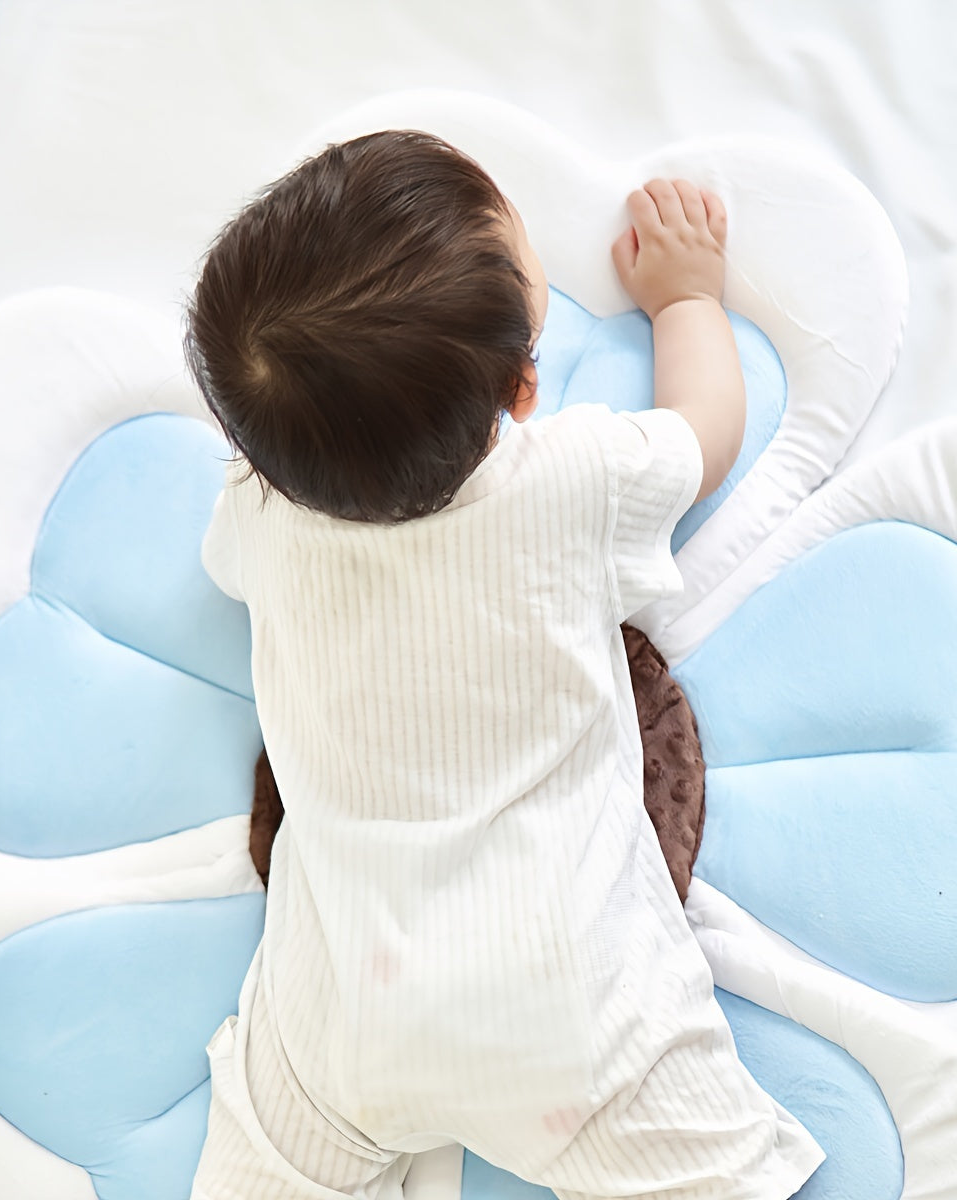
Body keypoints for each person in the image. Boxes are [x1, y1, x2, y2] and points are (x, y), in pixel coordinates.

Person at [186, 129, 823, 1200]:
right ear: (522, 389)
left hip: (345, 1011)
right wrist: (685, 300)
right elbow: (705, 430)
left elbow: (225, 556)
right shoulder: (577, 480)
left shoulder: (260, 517)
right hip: (569, 1016)